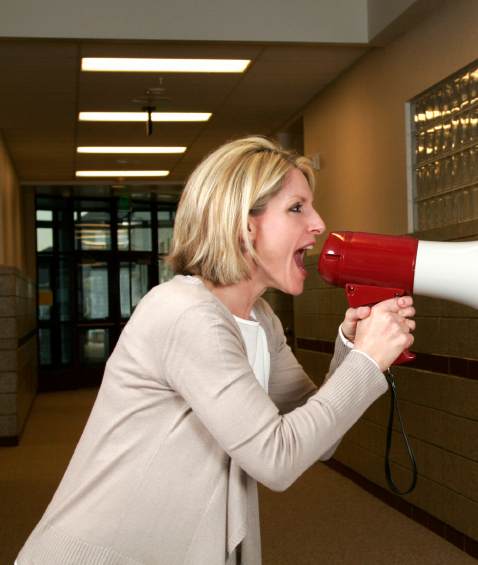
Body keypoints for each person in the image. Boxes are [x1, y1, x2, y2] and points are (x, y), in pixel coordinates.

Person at [16, 136, 416, 565]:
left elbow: (316, 442)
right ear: (243, 225)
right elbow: (275, 459)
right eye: (297, 208)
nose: (318, 223)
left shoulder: (259, 318)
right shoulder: (185, 313)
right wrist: (368, 360)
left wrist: (351, 351)